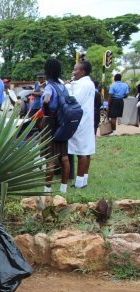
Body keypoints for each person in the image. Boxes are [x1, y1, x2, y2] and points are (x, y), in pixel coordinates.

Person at [41, 58, 70, 193]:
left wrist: (47, 109)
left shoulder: (49, 86)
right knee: (64, 156)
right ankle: (64, 188)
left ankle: (47, 189)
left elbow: (47, 99)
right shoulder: (63, 86)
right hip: (62, 122)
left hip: (51, 122)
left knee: (50, 158)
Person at [68, 61, 96, 189]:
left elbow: (74, 100)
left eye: (75, 70)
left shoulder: (82, 84)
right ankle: (84, 179)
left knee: (81, 152)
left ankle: (79, 183)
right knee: (86, 150)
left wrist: (68, 87)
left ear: (82, 72)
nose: (73, 72)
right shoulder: (89, 83)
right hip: (87, 119)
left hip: (81, 121)